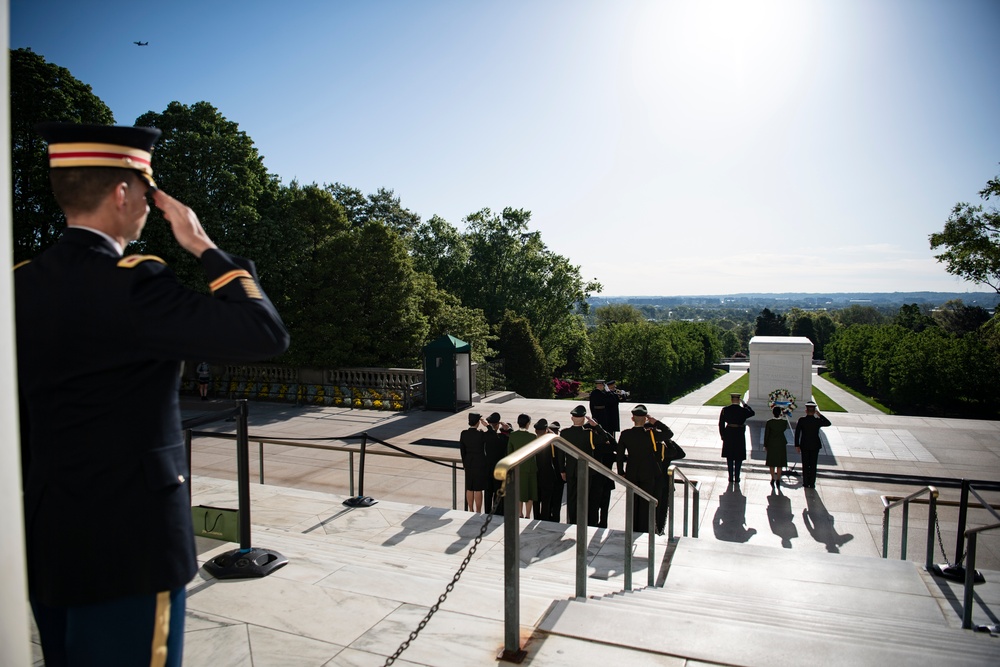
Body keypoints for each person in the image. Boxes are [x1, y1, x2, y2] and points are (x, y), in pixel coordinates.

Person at [15, 122, 290, 667]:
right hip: (130, 544)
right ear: (123, 193)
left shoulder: (20, 281)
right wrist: (202, 244)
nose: (147, 202)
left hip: (46, 536)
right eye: (146, 190)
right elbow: (264, 332)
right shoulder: (132, 283)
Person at [617, 405, 673, 533]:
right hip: (648, 472)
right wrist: (656, 422)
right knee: (646, 502)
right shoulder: (651, 434)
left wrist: (621, 472)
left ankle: (632, 527)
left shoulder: (625, 434)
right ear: (645, 419)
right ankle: (644, 528)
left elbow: (619, 455)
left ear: (632, 418)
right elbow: (669, 433)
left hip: (632, 472)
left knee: (632, 502)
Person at [559, 405, 615, 526]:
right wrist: (597, 426)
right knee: (584, 497)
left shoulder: (564, 433)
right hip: (586, 470)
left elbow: (560, 454)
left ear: (572, 418)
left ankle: (572, 520)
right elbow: (605, 438)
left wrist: (562, 470)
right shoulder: (589, 434)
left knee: (571, 497)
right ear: (584, 419)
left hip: (570, 470)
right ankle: (582, 521)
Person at [506, 414, 538, 518]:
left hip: (517, 468)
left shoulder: (513, 435)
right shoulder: (532, 437)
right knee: (529, 493)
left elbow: (509, 453)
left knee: (519, 492)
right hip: (530, 468)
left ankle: (519, 513)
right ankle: (528, 515)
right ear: (528, 424)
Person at [719, 392, 755, 484]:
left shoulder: (725, 410)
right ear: (739, 401)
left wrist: (723, 435)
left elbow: (721, 424)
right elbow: (752, 412)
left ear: (731, 400)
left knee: (730, 457)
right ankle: (737, 477)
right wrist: (745, 404)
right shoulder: (743, 410)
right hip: (739, 435)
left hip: (729, 434)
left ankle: (730, 477)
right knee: (738, 457)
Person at [795, 401, 831, 489]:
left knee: (805, 464)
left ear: (806, 410)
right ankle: (812, 483)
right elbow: (828, 423)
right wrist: (819, 415)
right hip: (815, 445)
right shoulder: (817, 421)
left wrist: (797, 445)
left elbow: (797, 433)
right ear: (814, 411)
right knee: (813, 465)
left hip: (805, 445)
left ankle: (806, 482)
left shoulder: (802, 420)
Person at [531, 418, 561, 522]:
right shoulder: (550, 443)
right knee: (546, 500)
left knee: (536, 500)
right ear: (545, 430)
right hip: (548, 476)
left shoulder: (533, 442)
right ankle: (544, 518)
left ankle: (536, 517)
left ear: (535, 431)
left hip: (535, 475)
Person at [459, 412, 489, 512]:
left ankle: (470, 509)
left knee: (469, 487)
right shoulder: (480, 434)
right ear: (477, 422)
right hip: (479, 463)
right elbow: (491, 435)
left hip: (468, 462)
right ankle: (478, 510)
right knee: (478, 488)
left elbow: (462, 450)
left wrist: (465, 463)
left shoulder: (464, 433)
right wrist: (487, 426)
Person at [483, 412, 510, 514]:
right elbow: (509, 437)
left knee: (488, 492)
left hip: (488, 468)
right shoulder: (502, 438)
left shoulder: (485, 435)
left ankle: (487, 511)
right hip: (499, 469)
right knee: (497, 492)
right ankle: (497, 511)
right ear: (498, 425)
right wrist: (508, 429)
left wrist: (489, 428)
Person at [763, 406, 790, 492]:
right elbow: (784, 428)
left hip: (771, 443)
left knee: (772, 462)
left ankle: (772, 478)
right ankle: (778, 479)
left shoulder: (769, 422)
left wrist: (765, 445)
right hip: (781, 443)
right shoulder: (784, 422)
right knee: (779, 463)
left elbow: (766, 434)